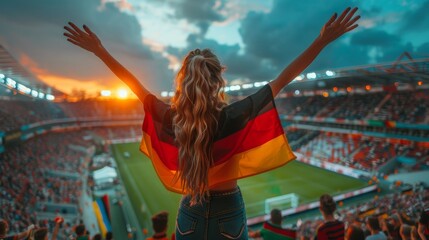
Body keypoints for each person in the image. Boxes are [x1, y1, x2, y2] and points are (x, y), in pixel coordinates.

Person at [63, 7, 360, 239]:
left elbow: (136, 87)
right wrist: (321, 40)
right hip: (229, 209)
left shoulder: (173, 119)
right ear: (218, 80)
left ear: (185, 81)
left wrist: (100, 50)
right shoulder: (233, 116)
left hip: (189, 212)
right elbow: (283, 78)